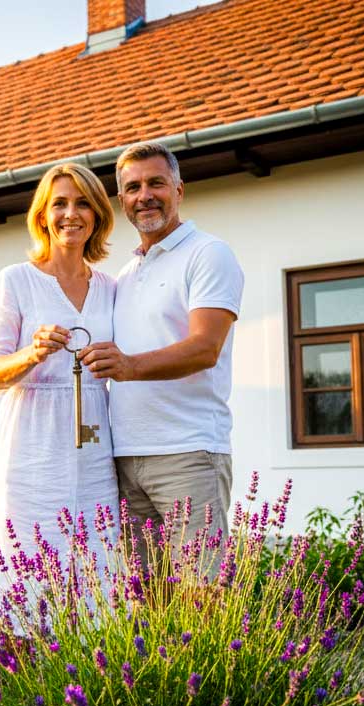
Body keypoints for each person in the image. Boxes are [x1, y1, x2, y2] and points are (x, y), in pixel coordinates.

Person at [79, 142, 244, 573]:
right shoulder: (126, 274)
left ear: (179, 189)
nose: (145, 195)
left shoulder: (208, 254)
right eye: (133, 187)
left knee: (201, 595)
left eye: (156, 183)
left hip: (186, 453)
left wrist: (130, 366)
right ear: (122, 201)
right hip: (124, 456)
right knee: (147, 598)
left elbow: (205, 347)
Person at [0, 162, 118, 624]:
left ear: (97, 215)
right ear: (42, 214)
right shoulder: (14, 280)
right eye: (59, 203)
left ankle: (80, 689)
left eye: (82, 203)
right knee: (25, 568)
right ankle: (16, 689)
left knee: (96, 568)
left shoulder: (112, 288)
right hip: (32, 442)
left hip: (94, 440)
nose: (70, 214)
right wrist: (32, 353)